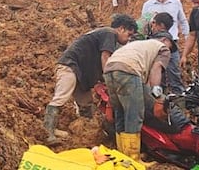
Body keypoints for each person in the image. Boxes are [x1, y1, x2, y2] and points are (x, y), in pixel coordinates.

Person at [44, 14, 137, 144]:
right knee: (61, 97)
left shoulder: (103, 35)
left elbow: (97, 61)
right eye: (129, 34)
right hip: (70, 66)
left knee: (86, 104)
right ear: (121, 29)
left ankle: (85, 134)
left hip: (80, 73)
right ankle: (47, 132)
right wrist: (110, 80)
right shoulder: (109, 33)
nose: (129, 39)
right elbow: (105, 57)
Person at [103, 33, 176, 163]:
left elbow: (144, 83)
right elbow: (156, 70)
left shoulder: (140, 46)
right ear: (164, 40)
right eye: (171, 46)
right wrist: (159, 98)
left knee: (120, 112)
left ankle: (123, 156)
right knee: (134, 115)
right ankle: (133, 160)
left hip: (109, 68)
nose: (170, 50)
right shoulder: (162, 48)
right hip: (128, 70)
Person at [140, 0, 190, 94]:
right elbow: (143, 25)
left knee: (174, 74)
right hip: (154, 46)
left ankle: (178, 102)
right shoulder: (148, 5)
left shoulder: (175, 3)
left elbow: (183, 21)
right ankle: (160, 104)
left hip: (172, 45)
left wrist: (187, 38)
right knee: (157, 75)